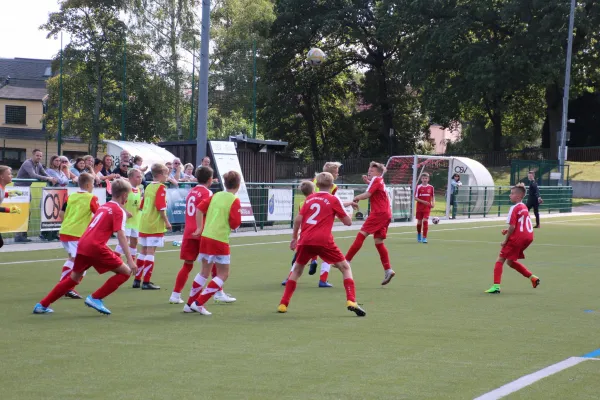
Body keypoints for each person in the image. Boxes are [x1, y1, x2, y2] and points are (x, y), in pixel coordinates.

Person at [33, 179, 137, 315]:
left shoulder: (104, 207)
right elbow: (121, 235)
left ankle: (42, 304)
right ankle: (96, 298)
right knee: (125, 272)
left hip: (83, 244)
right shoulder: (118, 210)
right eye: (127, 195)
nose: (127, 198)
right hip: (95, 247)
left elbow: (95, 229)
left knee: (74, 278)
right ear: (124, 195)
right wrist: (130, 260)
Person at [277, 172, 365, 316]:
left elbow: (298, 219)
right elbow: (348, 222)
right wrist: (346, 215)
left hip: (305, 239)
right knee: (345, 267)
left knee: (297, 271)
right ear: (332, 185)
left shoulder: (310, 198)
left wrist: (294, 238)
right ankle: (351, 300)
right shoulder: (333, 199)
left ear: (316, 185)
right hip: (324, 240)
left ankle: (283, 304)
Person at [183, 171, 242, 315]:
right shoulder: (234, 200)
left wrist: (199, 227)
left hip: (206, 236)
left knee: (204, 272)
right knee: (223, 274)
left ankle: (189, 303)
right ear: (238, 185)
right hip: (219, 239)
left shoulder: (215, 195)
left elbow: (199, 208)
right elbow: (235, 224)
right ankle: (199, 302)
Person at [345, 162, 396, 285]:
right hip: (386, 214)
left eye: (372, 171)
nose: (369, 172)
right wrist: (368, 182)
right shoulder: (379, 181)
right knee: (379, 242)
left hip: (378, 213)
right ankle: (388, 269)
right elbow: (374, 189)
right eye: (369, 170)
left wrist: (356, 198)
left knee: (362, 234)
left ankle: (346, 260)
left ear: (379, 172)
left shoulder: (376, 179)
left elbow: (368, 194)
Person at [484, 183, 541, 294]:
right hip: (528, 237)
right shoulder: (524, 206)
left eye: (512, 193)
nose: (510, 195)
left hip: (518, 238)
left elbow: (512, 226)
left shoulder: (513, 208)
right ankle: (533, 278)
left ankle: (496, 286)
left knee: (500, 259)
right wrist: (508, 231)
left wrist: (505, 240)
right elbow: (520, 224)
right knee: (510, 262)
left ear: (519, 196)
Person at [56, 173, 100, 300]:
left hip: (65, 231)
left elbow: (61, 213)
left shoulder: (71, 196)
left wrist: (68, 224)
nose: (93, 186)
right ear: (87, 185)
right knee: (82, 262)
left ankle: (64, 286)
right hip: (77, 234)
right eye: (92, 184)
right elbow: (99, 214)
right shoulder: (91, 198)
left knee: (72, 259)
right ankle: (67, 287)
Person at [133, 163, 172, 290]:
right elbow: (160, 207)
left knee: (143, 251)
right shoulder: (161, 187)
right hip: (154, 224)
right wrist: (166, 221)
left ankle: (137, 280)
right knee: (150, 252)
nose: (167, 176)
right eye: (166, 174)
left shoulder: (149, 186)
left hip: (144, 222)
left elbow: (141, 204)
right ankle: (146, 281)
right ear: (160, 175)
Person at [14, 149, 57, 242]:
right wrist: (48, 178)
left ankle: (23, 235)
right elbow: (33, 175)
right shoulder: (27, 163)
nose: (39, 157)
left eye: (41, 156)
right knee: (21, 212)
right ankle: (18, 235)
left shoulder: (39, 164)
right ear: (33, 155)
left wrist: (51, 178)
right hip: (19, 190)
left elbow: (44, 173)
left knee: (27, 213)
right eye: (37, 155)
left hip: (27, 190)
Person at [281, 180, 315, 286]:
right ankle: (314, 261)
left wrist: (294, 237)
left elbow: (299, 219)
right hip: (318, 231)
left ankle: (289, 277)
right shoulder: (319, 201)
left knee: (298, 258)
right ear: (313, 190)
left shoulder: (302, 204)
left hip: (305, 233)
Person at [115, 169, 143, 263]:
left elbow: (137, 204)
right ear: (130, 178)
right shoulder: (126, 189)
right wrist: (125, 211)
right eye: (138, 177)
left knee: (134, 242)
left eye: (140, 176)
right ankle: (115, 260)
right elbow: (117, 202)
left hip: (135, 220)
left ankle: (130, 261)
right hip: (126, 220)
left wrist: (141, 208)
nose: (140, 179)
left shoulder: (139, 190)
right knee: (124, 242)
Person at [0, 165, 22, 249]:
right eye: (9, 174)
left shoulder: (2, 187)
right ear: (2, 176)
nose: (11, 176)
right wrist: (9, 209)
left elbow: (1, 194)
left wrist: (9, 193)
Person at [414, 173, 435, 243]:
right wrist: (423, 202)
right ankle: (419, 234)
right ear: (421, 179)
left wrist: (433, 203)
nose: (424, 180)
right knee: (419, 222)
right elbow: (415, 198)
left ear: (428, 179)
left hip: (427, 207)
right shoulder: (418, 187)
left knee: (425, 221)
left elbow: (433, 196)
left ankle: (424, 237)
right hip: (419, 207)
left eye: (426, 178)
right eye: (423, 178)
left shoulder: (431, 187)